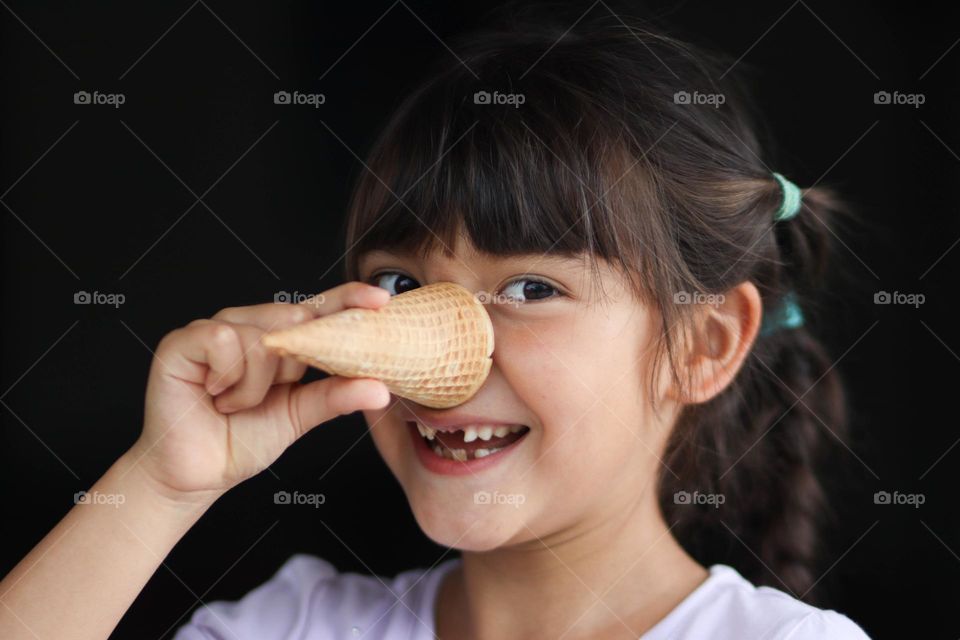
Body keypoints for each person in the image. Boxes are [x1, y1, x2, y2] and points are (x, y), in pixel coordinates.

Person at [0, 3, 872, 639]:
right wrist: (158, 485)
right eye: (398, 281)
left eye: (532, 288)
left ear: (702, 341)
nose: (440, 363)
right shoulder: (292, 626)